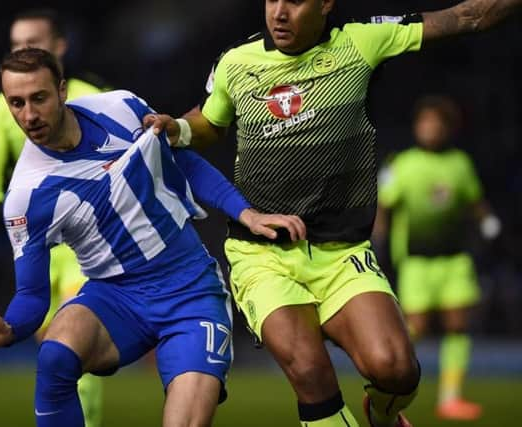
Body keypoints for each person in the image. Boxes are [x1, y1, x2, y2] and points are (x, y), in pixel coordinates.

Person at [145, 1, 522, 426]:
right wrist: (178, 127)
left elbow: (466, 17)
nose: (279, 13)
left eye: (295, 1)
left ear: (325, 4)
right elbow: (211, 121)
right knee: (310, 372)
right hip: (262, 254)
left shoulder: (361, 42)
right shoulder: (237, 61)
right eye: (272, 0)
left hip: (342, 251)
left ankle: (382, 413)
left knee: (396, 370)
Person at [0, 47, 306, 427]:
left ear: (62, 91)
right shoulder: (26, 197)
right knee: (54, 356)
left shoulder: (121, 108)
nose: (28, 115)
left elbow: (180, 160)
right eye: (16, 103)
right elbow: (31, 295)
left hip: (190, 291)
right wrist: (10, 328)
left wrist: (246, 213)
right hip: (115, 298)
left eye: (38, 98)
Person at [0, 9, 109, 427]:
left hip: (88, 248)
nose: (24, 50)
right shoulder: (0, 108)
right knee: (51, 351)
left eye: (34, 41)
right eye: (16, 44)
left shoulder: (96, 96)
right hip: (35, 247)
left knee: (73, 351)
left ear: (60, 47)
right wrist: (9, 211)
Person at [375, 95, 500, 421]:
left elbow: (474, 201)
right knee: (414, 327)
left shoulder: (460, 164)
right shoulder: (400, 163)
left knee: (458, 325)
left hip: (454, 258)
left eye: (435, 123)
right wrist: (378, 240)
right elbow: (384, 207)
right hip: (417, 259)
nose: (429, 128)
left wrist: (487, 222)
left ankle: (450, 398)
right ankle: (389, 388)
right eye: (424, 123)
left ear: (447, 129)